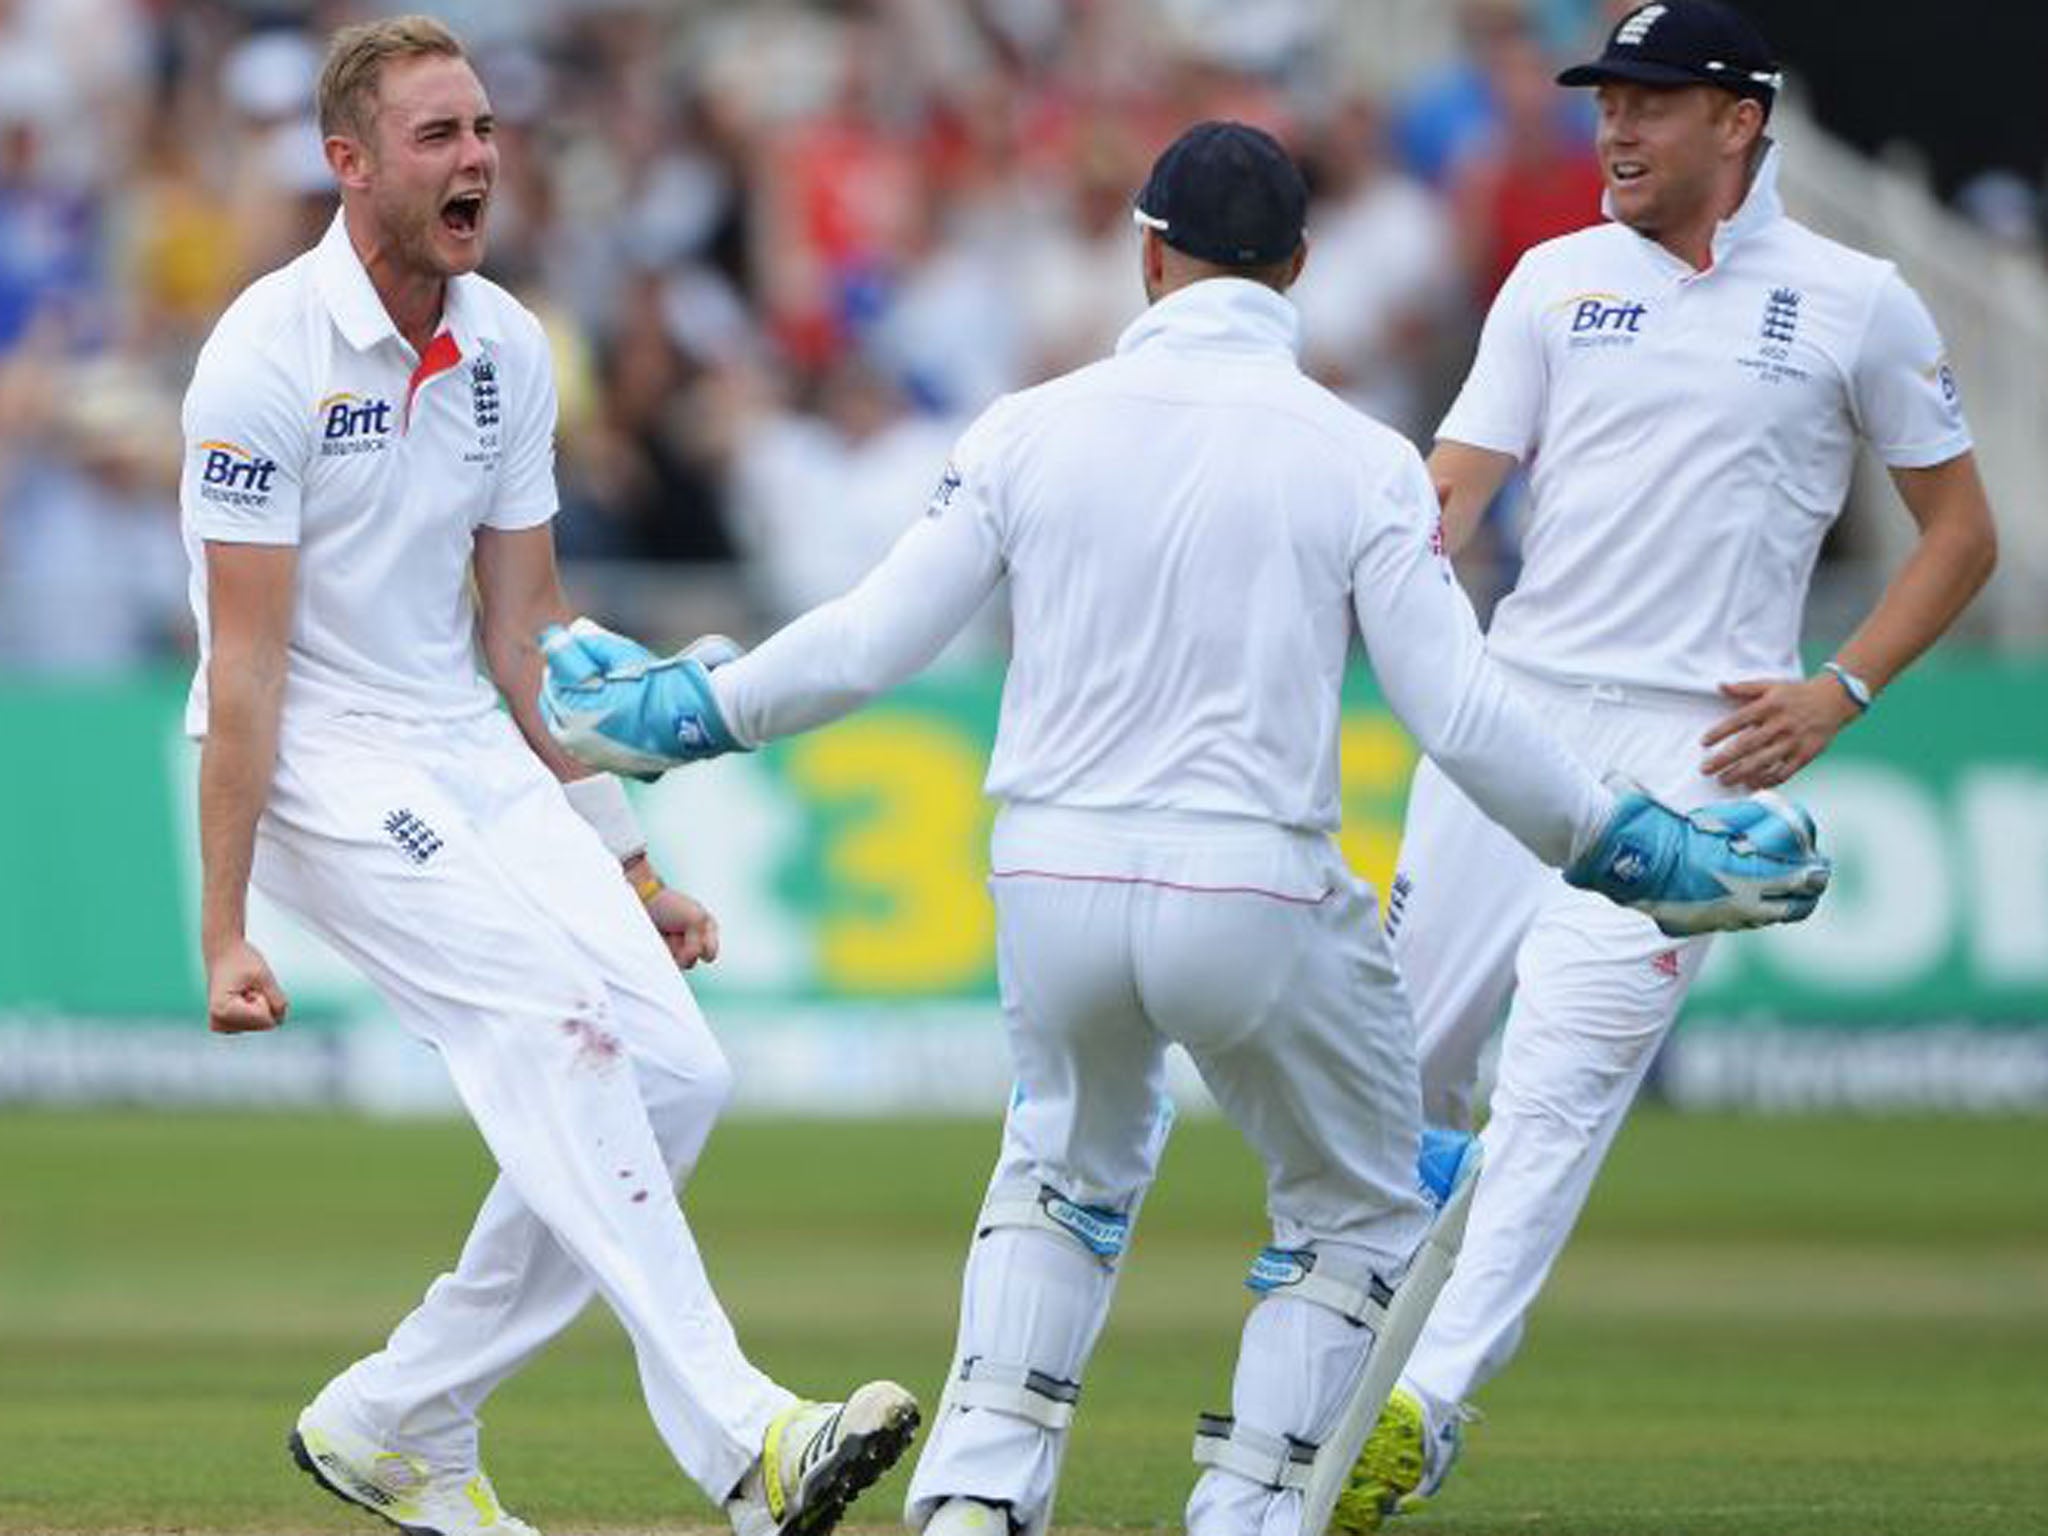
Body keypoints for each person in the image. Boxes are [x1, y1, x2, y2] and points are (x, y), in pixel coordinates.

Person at [534, 120, 1828, 1536]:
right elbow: (1461, 717)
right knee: (1366, 1202)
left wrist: (690, 712)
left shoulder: (1027, 424)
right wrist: (1637, 852)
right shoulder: (1360, 457)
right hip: (1257, 884)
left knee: (1061, 1168)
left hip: (1048, 872)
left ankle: (974, 1498)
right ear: (1298, 269)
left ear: (1148, 253)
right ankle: (1250, 1511)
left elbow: (865, 640)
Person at [179, 18, 918, 1536]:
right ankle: (749, 1440)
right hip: (318, 754)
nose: (478, 162)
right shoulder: (262, 358)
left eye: (485, 130)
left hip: (461, 738)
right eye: (440, 137)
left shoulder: (508, 345)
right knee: (558, 1032)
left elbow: (526, 642)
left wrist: (630, 861)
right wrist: (226, 925)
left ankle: (401, 1419)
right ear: (350, 163)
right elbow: (246, 667)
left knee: (678, 1074)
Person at [1322, 3, 2001, 1526]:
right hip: (1514, 723)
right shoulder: (1554, 280)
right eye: (1607, 100)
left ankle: (1419, 1408)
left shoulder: (1857, 300)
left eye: (1652, 102)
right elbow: (1454, 487)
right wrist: (1379, 574)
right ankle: (1341, 1337)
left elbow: (1962, 536)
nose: (1616, 130)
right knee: (1388, 1072)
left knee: (1561, 1074)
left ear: (1739, 120)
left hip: (1703, 753)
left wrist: (1837, 692)